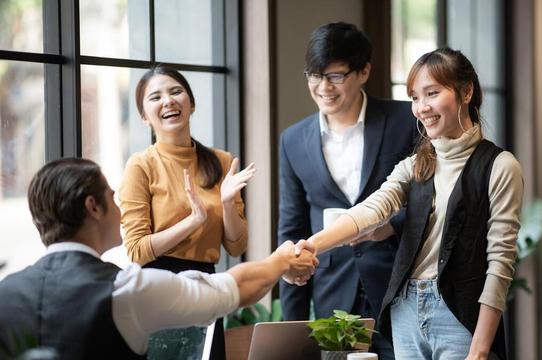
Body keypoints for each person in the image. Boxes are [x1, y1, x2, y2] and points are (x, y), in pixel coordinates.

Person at [290, 48, 524, 360]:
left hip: (459, 318)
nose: (421, 107)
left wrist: (480, 350)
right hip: (406, 312)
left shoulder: (500, 166)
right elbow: (372, 209)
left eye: (432, 93)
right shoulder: (417, 164)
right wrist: (310, 245)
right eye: (414, 97)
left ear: (466, 92)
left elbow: (500, 265)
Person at [0, 158, 317, 359]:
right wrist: (281, 260)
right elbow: (231, 290)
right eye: (114, 197)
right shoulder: (125, 289)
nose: (121, 208)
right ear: (93, 207)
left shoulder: (6, 292)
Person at [278, 22, 416, 359]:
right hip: (333, 298)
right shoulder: (293, 140)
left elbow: (432, 202)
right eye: (314, 75)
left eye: (336, 76)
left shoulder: (404, 121)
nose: (323, 87)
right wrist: (292, 327)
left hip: (400, 291)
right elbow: (292, 229)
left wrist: (390, 226)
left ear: (364, 71)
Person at [118, 65, 255, 359]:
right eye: (155, 97)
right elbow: (137, 250)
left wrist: (228, 203)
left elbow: (237, 245)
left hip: (206, 287)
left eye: (176, 91)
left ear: (191, 103)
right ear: (144, 116)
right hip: (156, 289)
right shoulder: (141, 165)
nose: (167, 101)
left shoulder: (221, 161)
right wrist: (193, 221)